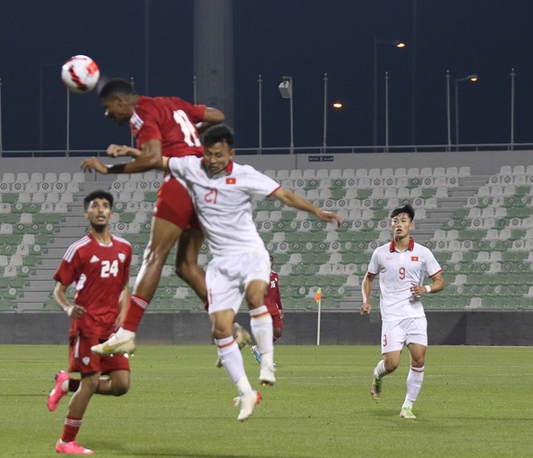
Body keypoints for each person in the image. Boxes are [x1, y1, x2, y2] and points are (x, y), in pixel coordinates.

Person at [159, 124, 343, 420]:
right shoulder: (194, 168)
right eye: (208, 154)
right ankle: (246, 392)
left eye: (219, 155)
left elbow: (283, 195)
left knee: (255, 296)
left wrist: (317, 211)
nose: (213, 160)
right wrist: (127, 156)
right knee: (220, 330)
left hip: (251, 253)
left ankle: (267, 362)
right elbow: (161, 160)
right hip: (221, 263)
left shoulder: (245, 174)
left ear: (231, 154)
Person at [81, 78, 254, 357]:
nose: (107, 114)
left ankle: (125, 333)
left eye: (107, 107)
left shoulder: (141, 114)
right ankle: (232, 327)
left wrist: (109, 169)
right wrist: (187, 133)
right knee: (186, 265)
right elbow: (217, 117)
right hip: (209, 185)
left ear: (120, 102)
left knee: (153, 255)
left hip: (183, 181)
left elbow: (151, 158)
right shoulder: (171, 103)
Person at [46, 189, 133, 454]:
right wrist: (68, 308)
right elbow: (58, 290)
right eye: (95, 205)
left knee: (121, 385)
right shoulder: (79, 249)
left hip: (112, 330)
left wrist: (124, 313)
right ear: (87, 213)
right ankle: (65, 441)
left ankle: (65, 384)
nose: (100, 210)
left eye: (105, 205)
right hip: (87, 327)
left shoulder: (124, 248)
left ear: (111, 213)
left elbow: (124, 287)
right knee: (92, 381)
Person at [360, 203, 444, 419]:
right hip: (392, 316)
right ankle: (378, 375)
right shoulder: (380, 253)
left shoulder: (423, 253)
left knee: (419, 358)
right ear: (391, 226)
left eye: (403, 220)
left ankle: (407, 406)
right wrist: (366, 300)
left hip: (415, 314)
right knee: (392, 363)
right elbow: (368, 278)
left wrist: (424, 289)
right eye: (395, 221)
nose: (398, 224)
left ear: (411, 225)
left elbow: (439, 282)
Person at [248, 255, 283, 364]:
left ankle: (258, 348)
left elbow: (277, 293)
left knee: (278, 332)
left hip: (273, 308)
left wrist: (280, 307)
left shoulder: (275, 276)